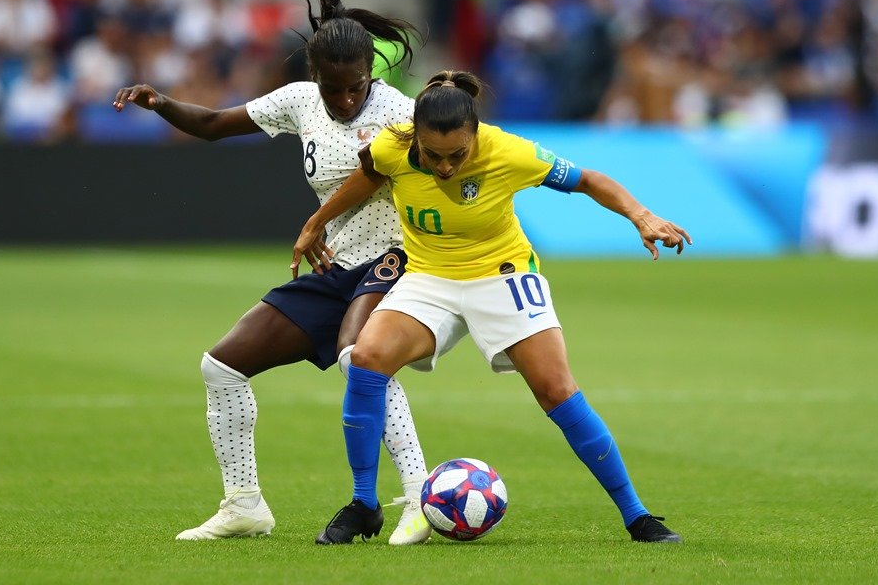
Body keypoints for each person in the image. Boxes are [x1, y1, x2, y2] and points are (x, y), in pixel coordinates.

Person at [293, 70, 692, 545]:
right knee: (366, 359)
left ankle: (638, 516)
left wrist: (640, 215)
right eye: (432, 155)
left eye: (457, 155)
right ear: (415, 136)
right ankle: (363, 504)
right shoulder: (391, 147)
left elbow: (589, 180)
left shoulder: (510, 152)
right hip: (428, 277)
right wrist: (318, 221)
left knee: (556, 389)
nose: (444, 167)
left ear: (476, 135)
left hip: (502, 276)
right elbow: (369, 176)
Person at [112, 0, 432, 546]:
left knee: (361, 361)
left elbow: (383, 174)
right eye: (333, 89)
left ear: (370, 73)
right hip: (335, 266)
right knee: (222, 366)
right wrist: (162, 103)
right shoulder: (298, 100)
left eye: (355, 87)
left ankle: (418, 499)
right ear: (316, 78)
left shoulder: (400, 114)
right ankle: (244, 505)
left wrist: (313, 223)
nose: (345, 100)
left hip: (394, 257)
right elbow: (212, 125)